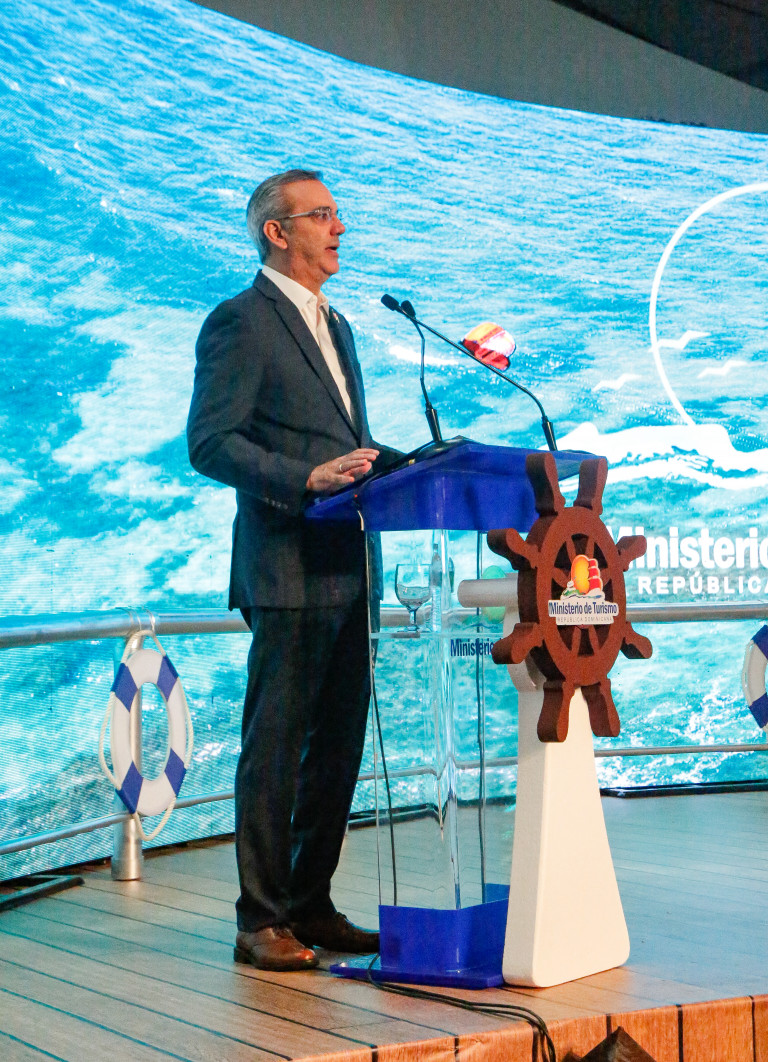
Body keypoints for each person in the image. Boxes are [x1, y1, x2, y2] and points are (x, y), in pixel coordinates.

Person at [187, 169, 397, 971]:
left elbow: (341, 441)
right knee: (275, 748)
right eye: (322, 215)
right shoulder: (240, 321)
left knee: (336, 748)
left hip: (350, 563)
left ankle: (310, 904)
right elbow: (211, 442)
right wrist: (303, 479)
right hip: (287, 564)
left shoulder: (337, 325)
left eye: (338, 215)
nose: (339, 228)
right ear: (277, 233)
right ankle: (261, 920)